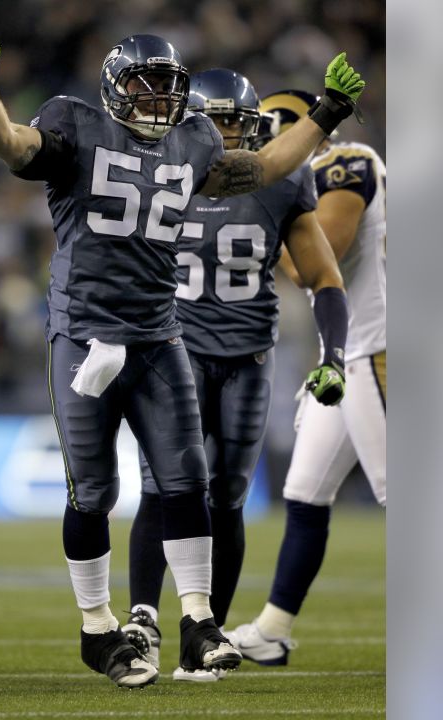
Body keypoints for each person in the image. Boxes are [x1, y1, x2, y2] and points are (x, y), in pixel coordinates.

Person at [0, 37, 366, 687]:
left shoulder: (193, 140)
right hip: (86, 336)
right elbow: (12, 146)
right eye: (144, 83)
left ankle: (198, 620)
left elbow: (264, 167)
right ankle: (97, 627)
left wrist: (328, 112)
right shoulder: (74, 123)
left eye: (167, 83)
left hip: (159, 334)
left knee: (185, 482)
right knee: (93, 492)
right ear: (116, 85)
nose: (158, 96)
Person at [120, 69, 350, 682]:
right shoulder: (163, 174)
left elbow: (323, 275)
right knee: (165, 488)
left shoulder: (281, 182)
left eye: (236, 121)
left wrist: (334, 353)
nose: (226, 133)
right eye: (214, 120)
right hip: (174, 352)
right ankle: (142, 620)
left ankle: (207, 636)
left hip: (249, 357)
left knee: (227, 498)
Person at [225, 89, 387, 666]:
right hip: (343, 358)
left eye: (259, 129)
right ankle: (272, 628)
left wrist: (266, 228)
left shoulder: (346, 162)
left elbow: (326, 258)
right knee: (304, 492)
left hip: (380, 350)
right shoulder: (298, 179)